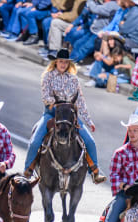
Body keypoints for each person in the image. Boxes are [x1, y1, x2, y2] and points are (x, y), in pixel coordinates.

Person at [23, 49, 106, 184]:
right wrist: (59, 105)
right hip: (52, 113)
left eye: (65, 62)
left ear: (69, 64)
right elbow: (46, 97)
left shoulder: (73, 79)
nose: (63, 64)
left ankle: (95, 171)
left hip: (70, 114)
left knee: (89, 141)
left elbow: (80, 100)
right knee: (35, 141)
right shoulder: (48, 76)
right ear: (56, 62)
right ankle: (28, 171)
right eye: (60, 61)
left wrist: (88, 120)